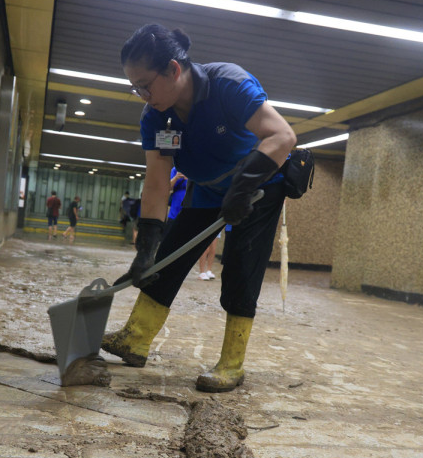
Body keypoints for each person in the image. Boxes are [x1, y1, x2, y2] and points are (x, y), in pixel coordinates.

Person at [100, 24, 296, 393]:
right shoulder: (157, 116)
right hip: (206, 188)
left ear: (173, 69)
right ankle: (135, 338)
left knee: (240, 267)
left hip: (257, 188)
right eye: (134, 88)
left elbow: (282, 135)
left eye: (145, 84)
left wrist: (242, 187)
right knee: (168, 257)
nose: (142, 95)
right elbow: (158, 183)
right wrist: (146, 249)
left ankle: (232, 364)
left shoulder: (229, 85)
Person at [164, 167, 187, 237]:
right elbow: (168, 187)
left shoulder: (198, 169)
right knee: (169, 237)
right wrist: (176, 177)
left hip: (191, 210)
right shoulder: (176, 169)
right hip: (175, 211)